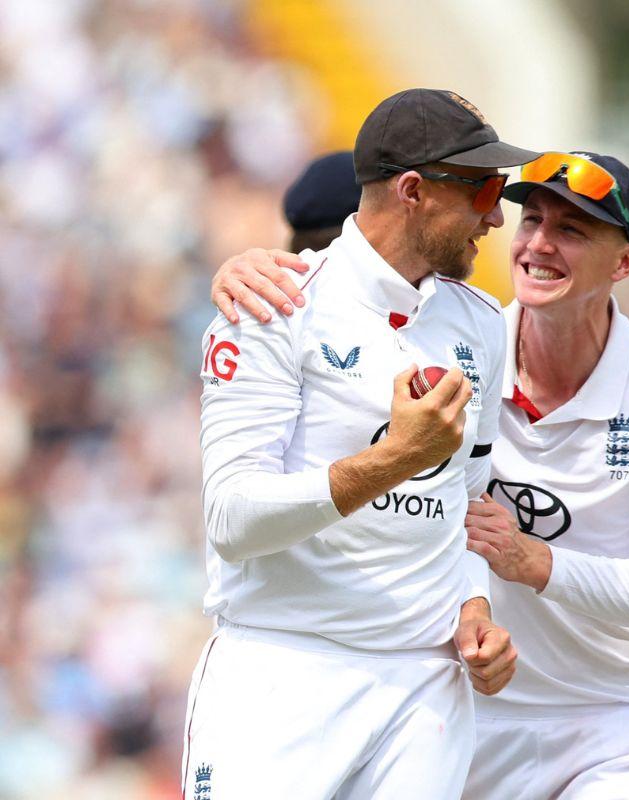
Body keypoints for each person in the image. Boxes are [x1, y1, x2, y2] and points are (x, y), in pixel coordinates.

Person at [210, 151, 629, 799]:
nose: (540, 245)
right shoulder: (448, 345)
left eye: (571, 230)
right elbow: (349, 253)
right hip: (469, 716)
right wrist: (258, 265)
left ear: (625, 263)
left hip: (618, 724)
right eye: (532, 220)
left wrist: (534, 561)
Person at [186, 88, 538, 799]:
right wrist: (393, 461)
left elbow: (463, 504)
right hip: (283, 673)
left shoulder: (480, 323)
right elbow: (232, 520)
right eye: (483, 189)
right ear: (414, 191)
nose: (496, 217)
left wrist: (476, 609)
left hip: (423, 689)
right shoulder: (271, 304)